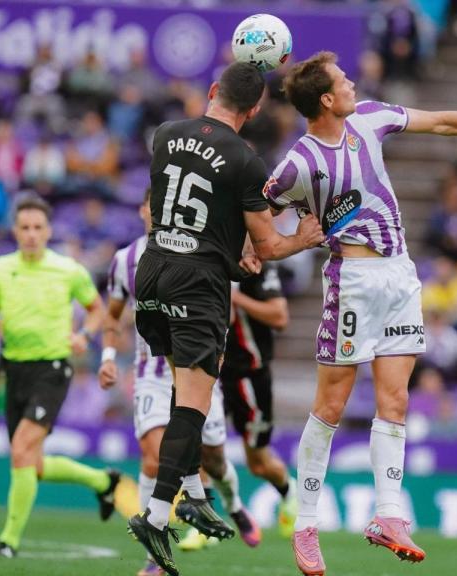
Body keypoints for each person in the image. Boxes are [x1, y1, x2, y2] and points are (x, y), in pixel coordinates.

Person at [265, 51, 457, 575]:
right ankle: (306, 522)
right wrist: (293, 244)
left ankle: (388, 516)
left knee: (396, 399)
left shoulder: (370, 118)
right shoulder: (298, 164)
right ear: (326, 99)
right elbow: (256, 229)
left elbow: (443, 121)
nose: (353, 83)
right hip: (352, 281)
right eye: (343, 80)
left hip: (400, 274)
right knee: (331, 405)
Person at [123, 62, 325, 576]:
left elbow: (186, 215)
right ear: (254, 110)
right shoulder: (245, 160)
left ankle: (193, 494)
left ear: (213, 91)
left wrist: (232, 254)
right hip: (198, 287)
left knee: (181, 392)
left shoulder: (165, 134)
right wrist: (302, 240)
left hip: (153, 271)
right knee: (193, 404)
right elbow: (268, 246)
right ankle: (155, 515)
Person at [99, 190, 241, 576]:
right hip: (151, 373)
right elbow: (112, 315)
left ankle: (231, 503)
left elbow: (221, 311)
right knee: (152, 455)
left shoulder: (201, 250)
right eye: (153, 206)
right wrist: (108, 356)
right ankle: (155, 551)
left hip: (194, 370)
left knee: (213, 457)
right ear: (143, 210)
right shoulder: (125, 260)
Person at [0, 195, 121, 558]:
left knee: (20, 450)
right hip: (15, 369)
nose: (31, 234)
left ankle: (8, 542)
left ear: (48, 231)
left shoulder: (68, 270)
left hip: (52, 368)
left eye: (37, 227)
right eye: (24, 227)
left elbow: (97, 310)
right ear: (15, 231)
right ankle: (103, 481)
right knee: (32, 463)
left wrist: (84, 335)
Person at [205, 262, 297, 545]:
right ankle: (205, 522)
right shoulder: (208, 260)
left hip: (250, 377)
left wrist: (236, 298)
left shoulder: (257, 268)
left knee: (258, 464)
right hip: (213, 374)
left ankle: (289, 491)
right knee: (203, 448)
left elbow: (280, 316)